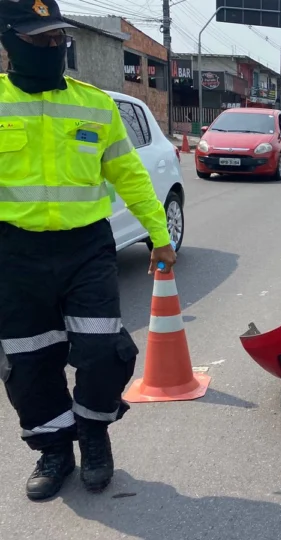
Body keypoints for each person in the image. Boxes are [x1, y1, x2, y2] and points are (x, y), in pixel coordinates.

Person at [0, 0, 177, 501]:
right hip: (15, 252)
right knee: (29, 361)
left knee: (102, 351)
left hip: (85, 248)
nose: (52, 46)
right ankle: (54, 449)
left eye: (57, 38)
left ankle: (94, 434)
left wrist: (159, 236)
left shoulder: (95, 105)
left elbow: (130, 176)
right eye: (39, 39)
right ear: (10, 41)